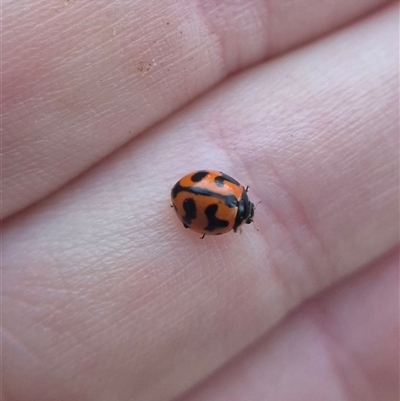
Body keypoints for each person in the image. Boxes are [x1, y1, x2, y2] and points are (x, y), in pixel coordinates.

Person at [2, 1, 398, 400]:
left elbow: (210, 194)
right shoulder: (227, 218)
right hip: (184, 194)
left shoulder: (234, 199)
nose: (246, 214)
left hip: (186, 190)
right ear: (241, 212)